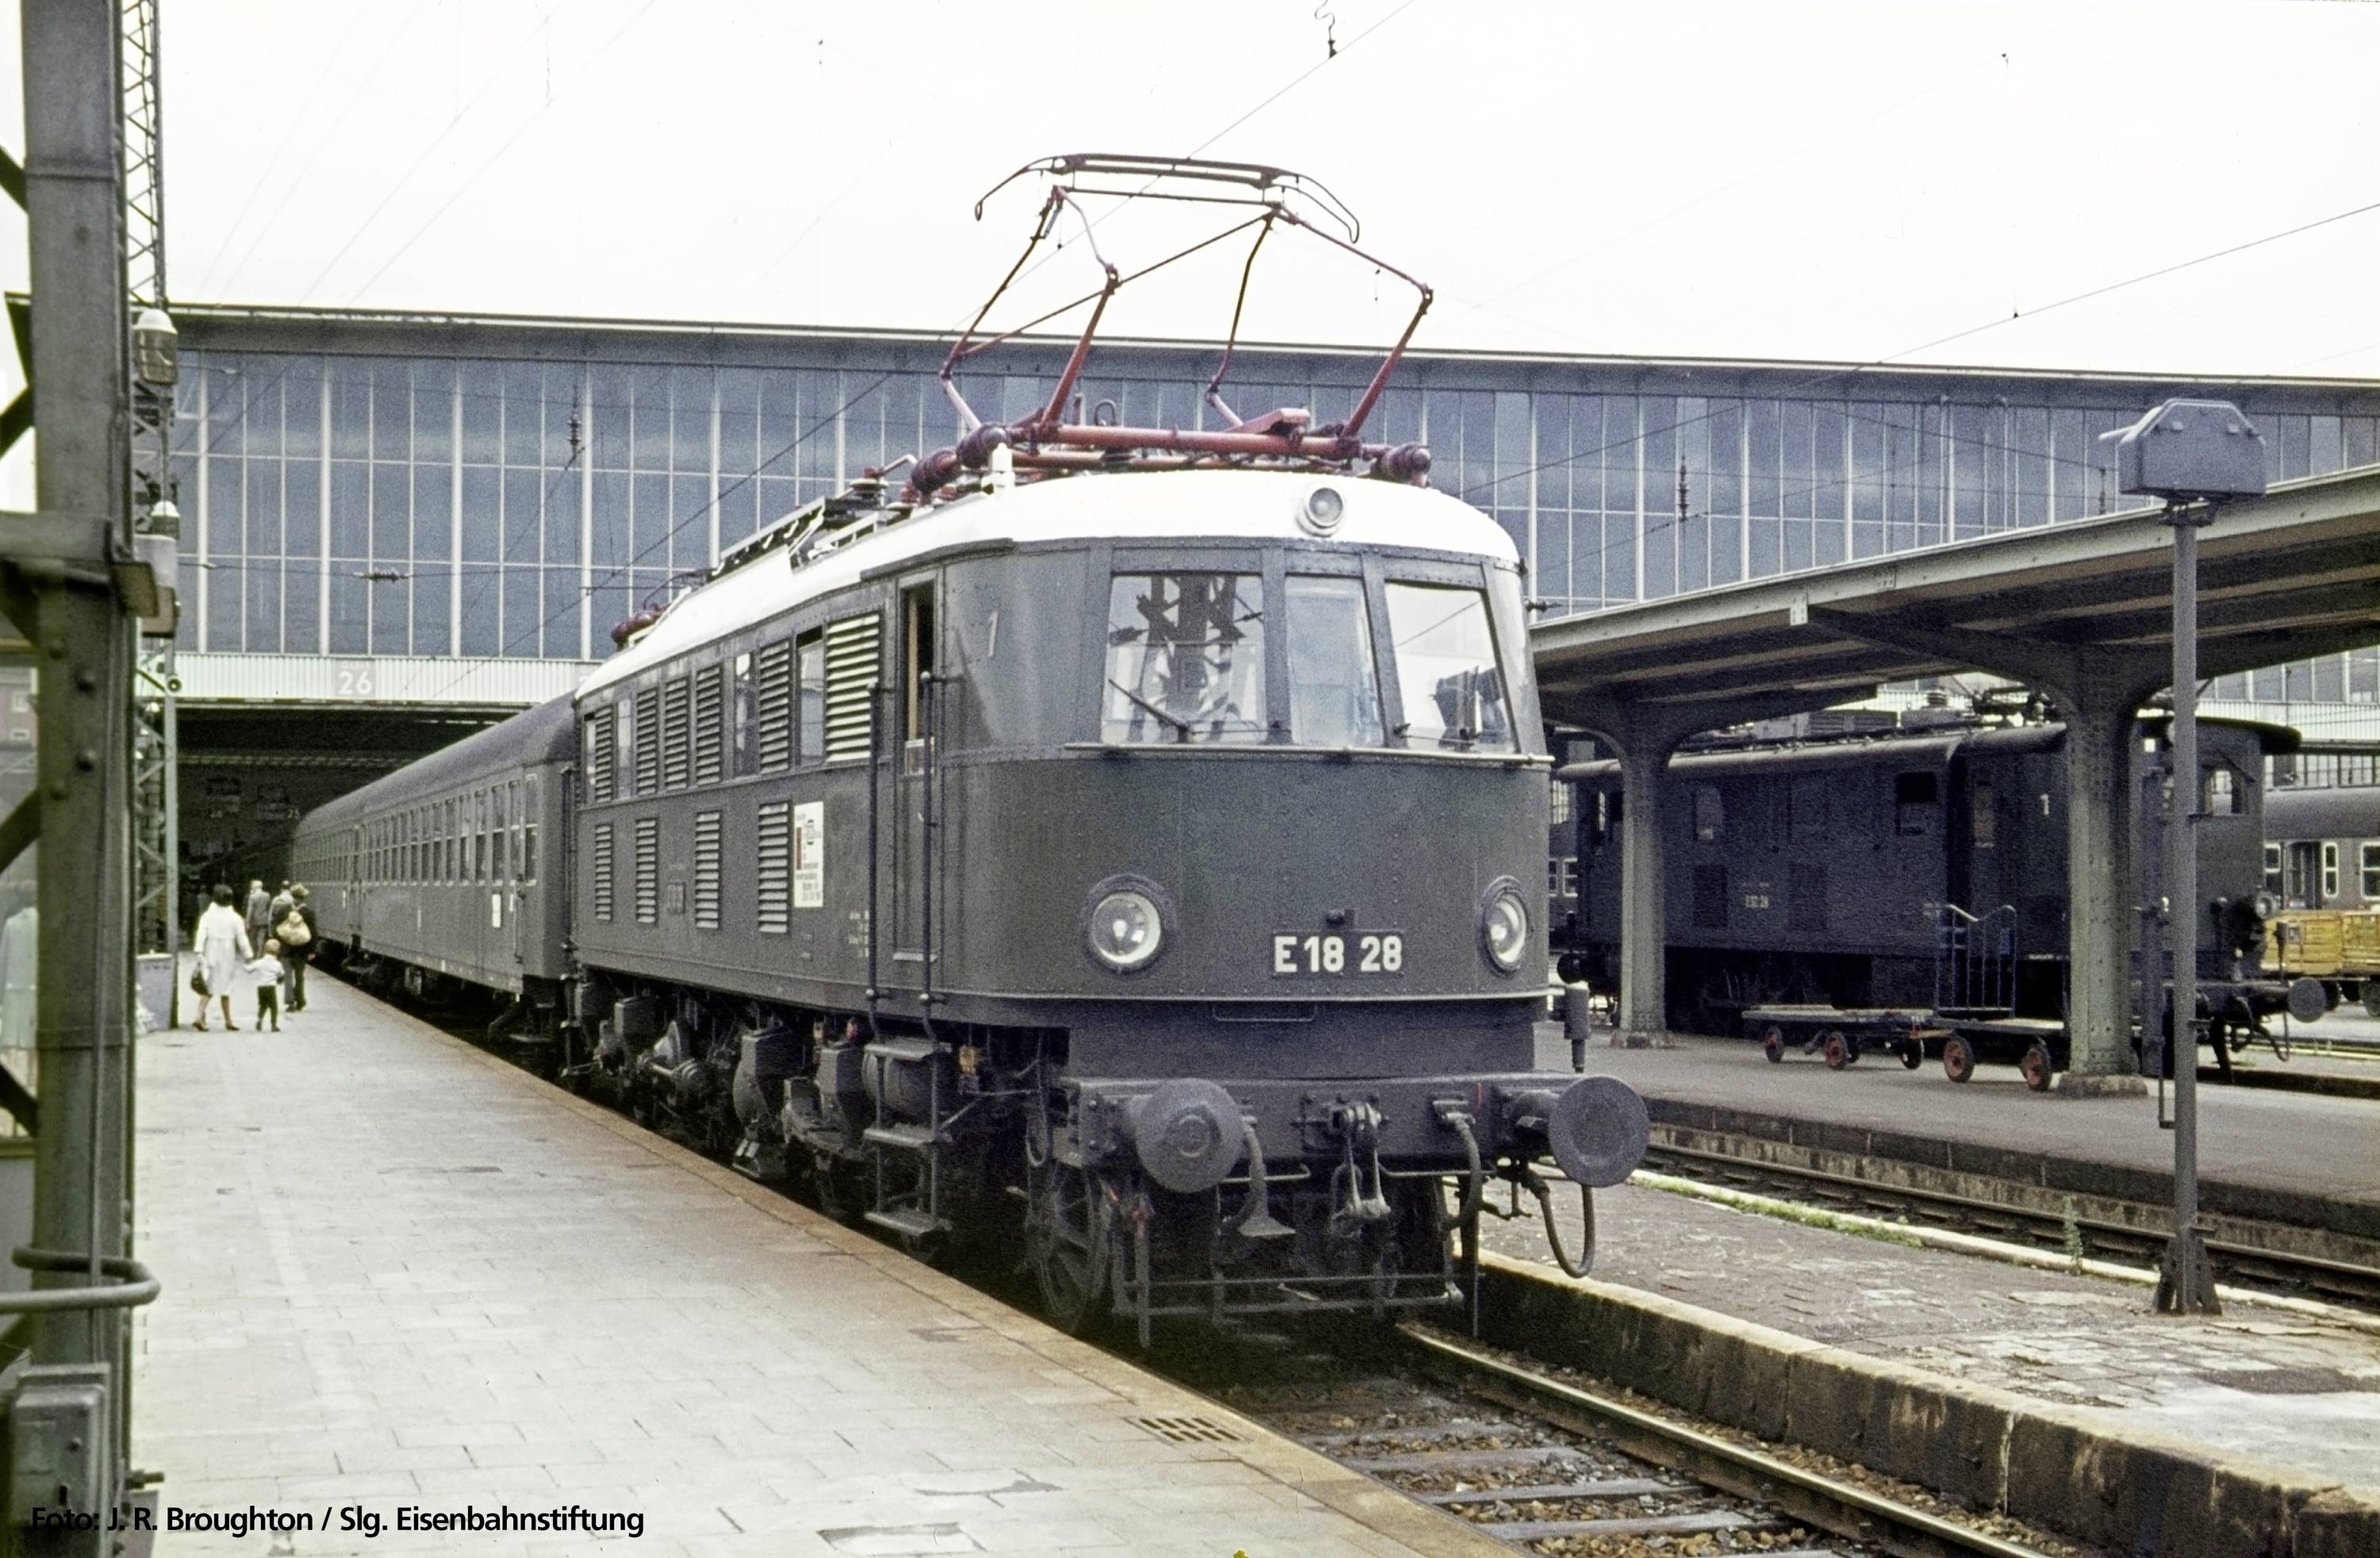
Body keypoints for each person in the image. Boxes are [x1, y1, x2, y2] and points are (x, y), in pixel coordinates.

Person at [192, 884, 252, 1032]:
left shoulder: (208, 916)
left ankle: (199, 1017)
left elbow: (201, 933)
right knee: (226, 987)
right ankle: (227, 1020)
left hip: (210, 950)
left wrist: (199, 950)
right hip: (228, 952)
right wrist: (248, 955)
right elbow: (242, 937)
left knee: (209, 985)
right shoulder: (235, 917)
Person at [284, 885, 317, 1012]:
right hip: (302, 949)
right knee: (299, 976)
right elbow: (313, 933)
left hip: (286, 949)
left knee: (287, 976)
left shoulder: (286, 911)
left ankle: (290, 1002)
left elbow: (278, 929)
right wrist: (312, 950)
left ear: (292, 897)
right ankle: (300, 1001)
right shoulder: (308, 913)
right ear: (304, 898)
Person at [249, 939, 284, 1033]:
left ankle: (259, 1020)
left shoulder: (259, 962)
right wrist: (280, 980)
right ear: (277, 951)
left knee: (263, 1006)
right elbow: (281, 974)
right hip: (271, 988)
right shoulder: (277, 964)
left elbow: (249, 969)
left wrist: (245, 963)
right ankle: (273, 1025)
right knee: (274, 1007)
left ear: (265, 950)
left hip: (261, 988)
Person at [244, 879, 273, 952]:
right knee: (261, 938)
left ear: (254, 887)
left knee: (252, 937)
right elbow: (268, 907)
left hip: (254, 920)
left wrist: (247, 922)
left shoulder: (252, 897)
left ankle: (254, 952)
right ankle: (260, 954)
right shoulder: (267, 895)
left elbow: (250, 910)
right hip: (264, 920)